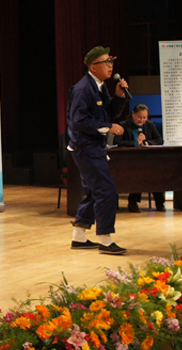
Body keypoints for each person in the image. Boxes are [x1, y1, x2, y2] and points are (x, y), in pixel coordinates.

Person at [67, 46, 130, 255]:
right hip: (86, 147)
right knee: (106, 190)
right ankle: (105, 239)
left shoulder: (100, 86)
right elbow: (79, 120)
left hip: (93, 146)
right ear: (93, 67)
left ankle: (79, 236)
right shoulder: (83, 89)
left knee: (95, 191)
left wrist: (119, 97)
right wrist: (108, 127)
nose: (111, 66)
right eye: (106, 62)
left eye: (111, 62)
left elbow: (109, 112)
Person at [116, 104, 166, 212]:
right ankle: (133, 203)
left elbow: (159, 140)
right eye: (139, 117)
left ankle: (159, 203)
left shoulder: (149, 125)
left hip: (148, 160)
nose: (142, 120)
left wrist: (147, 143)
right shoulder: (123, 125)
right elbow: (117, 142)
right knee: (138, 173)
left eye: (144, 117)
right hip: (128, 161)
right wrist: (135, 142)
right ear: (133, 114)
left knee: (156, 174)